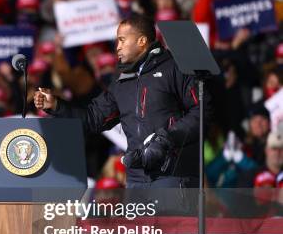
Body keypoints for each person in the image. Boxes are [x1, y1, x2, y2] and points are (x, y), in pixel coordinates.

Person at [34, 15, 211, 188]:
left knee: (171, 219)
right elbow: (93, 118)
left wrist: (166, 139)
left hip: (174, 174)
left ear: (142, 41)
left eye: (122, 40)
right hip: (136, 178)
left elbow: (201, 111)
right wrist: (56, 105)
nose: (117, 47)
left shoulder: (175, 67)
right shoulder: (121, 80)